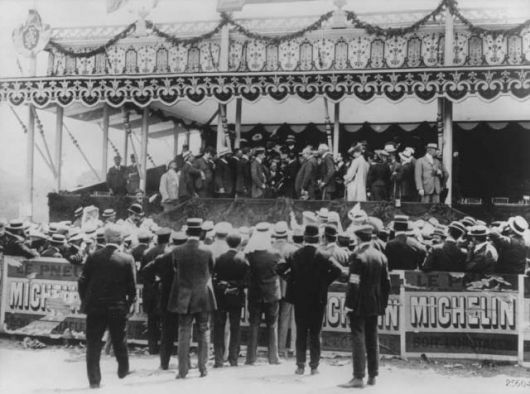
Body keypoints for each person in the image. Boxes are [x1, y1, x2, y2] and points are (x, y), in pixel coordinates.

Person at [77, 225, 136, 389]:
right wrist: (129, 304)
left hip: (95, 307)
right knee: (119, 340)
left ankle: (94, 380)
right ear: (121, 240)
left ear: (106, 239)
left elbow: (82, 281)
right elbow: (132, 287)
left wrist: (86, 300)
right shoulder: (126, 259)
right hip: (117, 307)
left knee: (93, 344)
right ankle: (123, 368)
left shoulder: (93, 257)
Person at [281, 224, 343, 375]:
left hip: (300, 298)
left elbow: (279, 268)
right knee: (315, 333)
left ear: (304, 237)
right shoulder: (324, 254)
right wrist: (324, 283)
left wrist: (291, 280)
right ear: (318, 238)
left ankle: (300, 365)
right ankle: (314, 366)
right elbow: (338, 270)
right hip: (318, 298)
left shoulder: (296, 254)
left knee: (301, 332)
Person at [339, 225, 390, 388]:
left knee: (358, 337)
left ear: (359, 239)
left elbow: (353, 283)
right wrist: (382, 303)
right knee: (372, 337)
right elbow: (386, 284)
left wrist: (349, 304)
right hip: (375, 303)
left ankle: (358, 376)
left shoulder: (357, 256)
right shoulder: (381, 256)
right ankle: (373, 375)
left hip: (359, 303)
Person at [167, 218, 216, 379]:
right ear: (201, 232)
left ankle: (182, 370)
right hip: (202, 295)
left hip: (184, 296)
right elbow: (211, 270)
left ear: (187, 232)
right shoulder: (207, 251)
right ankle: (203, 368)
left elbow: (175, 269)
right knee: (204, 330)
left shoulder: (177, 250)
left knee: (183, 333)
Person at [141, 233, 184, 370]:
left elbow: (145, 271)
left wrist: (157, 280)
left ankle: (164, 362)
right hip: (185, 297)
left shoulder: (164, 257)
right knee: (185, 329)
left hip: (167, 297)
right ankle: (185, 361)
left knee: (167, 331)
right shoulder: (189, 256)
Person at [245, 222, 282, 365]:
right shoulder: (275, 254)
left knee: (253, 325)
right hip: (272, 293)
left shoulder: (250, 255)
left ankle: (250, 358)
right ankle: (273, 357)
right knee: (272, 325)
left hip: (255, 294)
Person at [212, 232, 249, 367]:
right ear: (239, 243)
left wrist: (224, 286)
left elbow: (214, 277)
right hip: (236, 296)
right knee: (235, 327)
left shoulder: (219, 258)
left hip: (221, 296)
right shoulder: (243, 259)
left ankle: (218, 359)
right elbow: (246, 280)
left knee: (219, 327)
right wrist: (235, 286)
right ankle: (233, 359)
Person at [141, 228, 171, 355]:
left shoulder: (147, 253)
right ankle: (166, 348)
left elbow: (143, 272)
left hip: (150, 290)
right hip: (165, 290)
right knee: (166, 321)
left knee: (152, 321)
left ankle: (152, 348)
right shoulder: (170, 252)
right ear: (168, 239)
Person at [271, 222, 298, 359]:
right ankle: (288, 347)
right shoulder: (291, 249)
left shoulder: (269, 248)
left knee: (274, 318)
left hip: (273, 287)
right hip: (288, 287)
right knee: (287, 317)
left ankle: (278, 348)